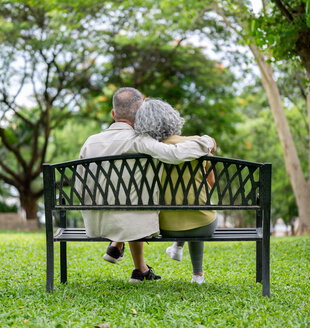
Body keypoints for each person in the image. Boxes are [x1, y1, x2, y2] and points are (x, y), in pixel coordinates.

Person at [77, 87, 216, 283]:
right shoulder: (139, 141)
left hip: (96, 222)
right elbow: (175, 154)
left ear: (113, 114)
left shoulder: (90, 142)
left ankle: (123, 251)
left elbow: (80, 185)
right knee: (135, 198)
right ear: (141, 114)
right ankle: (125, 252)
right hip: (131, 221)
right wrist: (206, 142)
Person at [134, 98, 217, 284]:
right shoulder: (198, 144)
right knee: (197, 211)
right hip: (203, 223)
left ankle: (177, 247)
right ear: (172, 118)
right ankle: (198, 275)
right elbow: (211, 183)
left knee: (186, 212)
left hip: (164, 226)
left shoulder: (147, 151)